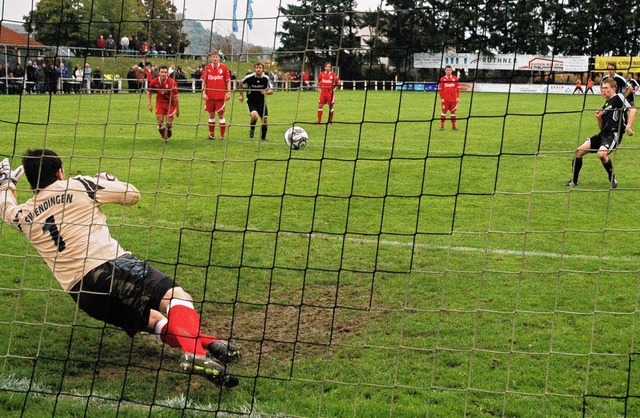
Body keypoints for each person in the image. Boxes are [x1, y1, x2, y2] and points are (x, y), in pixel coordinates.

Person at [0, 150, 240, 387]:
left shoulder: (24, 214)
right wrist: (106, 179)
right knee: (175, 297)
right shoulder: (78, 184)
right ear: (60, 171)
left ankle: (209, 344)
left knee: (152, 320)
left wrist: (7, 184)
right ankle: (196, 354)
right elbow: (132, 195)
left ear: (31, 181)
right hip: (110, 266)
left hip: (81, 293)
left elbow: (5, 209)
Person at [566, 78, 636, 188]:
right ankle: (574, 181)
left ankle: (612, 177)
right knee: (579, 151)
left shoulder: (618, 97)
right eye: (602, 88)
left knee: (602, 154)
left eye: (606, 88)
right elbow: (601, 128)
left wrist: (628, 127)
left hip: (613, 135)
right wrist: (598, 118)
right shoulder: (605, 105)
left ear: (613, 88)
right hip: (603, 135)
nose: (603, 90)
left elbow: (633, 110)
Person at [238, 62, 274, 140]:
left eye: (260, 68)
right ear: (255, 69)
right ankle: (252, 129)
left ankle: (263, 138)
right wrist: (241, 94)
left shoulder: (266, 78)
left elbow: (271, 91)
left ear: (263, 69)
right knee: (255, 117)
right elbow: (240, 82)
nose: (258, 69)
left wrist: (266, 92)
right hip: (251, 101)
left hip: (261, 102)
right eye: (257, 68)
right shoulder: (249, 77)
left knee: (264, 121)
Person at [201, 51, 231, 140]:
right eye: (213, 57)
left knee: (221, 115)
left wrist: (228, 92)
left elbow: (228, 81)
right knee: (211, 115)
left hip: (220, 96)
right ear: (211, 58)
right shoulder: (207, 68)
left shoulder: (224, 68)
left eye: (216, 57)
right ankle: (212, 135)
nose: (215, 59)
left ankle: (222, 136)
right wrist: (203, 92)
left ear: (219, 58)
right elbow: (204, 81)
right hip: (209, 96)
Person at [147, 66, 180, 144]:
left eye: (165, 72)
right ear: (159, 73)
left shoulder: (172, 82)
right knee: (160, 121)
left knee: (168, 123)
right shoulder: (154, 81)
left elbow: (176, 97)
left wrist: (178, 110)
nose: (163, 74)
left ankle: (169, 128)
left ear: (167, 73)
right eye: (162, 72)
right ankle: (165, 138)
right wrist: (149, 103)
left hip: (171, 103)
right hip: (160, 102)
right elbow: (149, 92)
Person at [438, 65, 461, 131]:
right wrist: (442, 98)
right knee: (444, 112)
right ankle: (442, 126)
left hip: (453, 100)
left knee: (453, 112)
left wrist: (457, 97)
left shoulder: (455, 79)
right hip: (445, 100)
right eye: (447, 70)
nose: (448, 71)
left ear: (451, 71)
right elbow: (440, 89)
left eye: (449, 70)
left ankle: (454, 126)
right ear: (445, 71)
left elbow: (458, 88)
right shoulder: (442, 79)